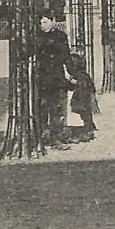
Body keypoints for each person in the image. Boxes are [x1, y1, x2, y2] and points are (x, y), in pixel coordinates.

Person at [34, 13, 73, 150]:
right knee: (42, 107)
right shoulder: (37, 36)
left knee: (57, 108)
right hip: (42, 76)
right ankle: (43, 136)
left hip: (56, 76)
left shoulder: (60, 36)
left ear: (53, 21)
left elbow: (66, 56)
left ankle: (56, 137)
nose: (42, 25)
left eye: (45, 22)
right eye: (41, 23)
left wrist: (72, 73)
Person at [67, 52, 98, 140]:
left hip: (81, 97)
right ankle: (88, 127)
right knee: (84, 113)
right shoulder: (82, 75)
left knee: (83, 111)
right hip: (81, 97)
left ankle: (87, 129)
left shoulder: (81, 76)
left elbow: (72, 86)